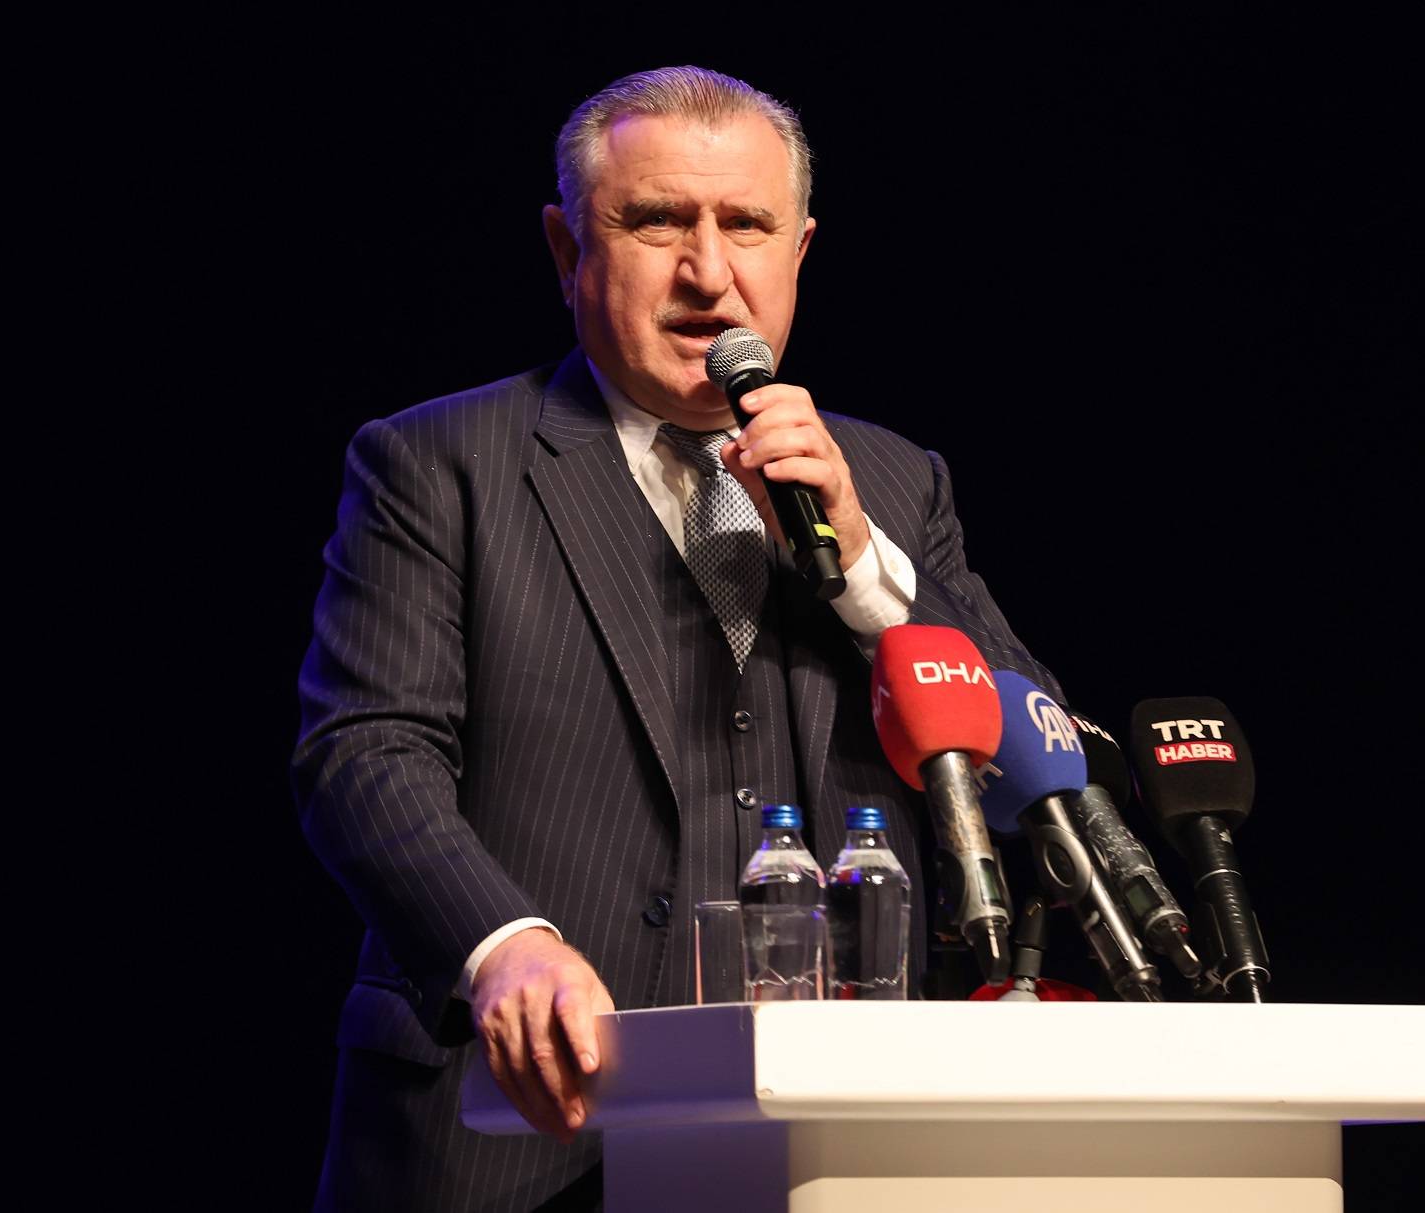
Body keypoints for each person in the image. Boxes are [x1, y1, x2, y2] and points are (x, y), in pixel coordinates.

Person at [294, 65, 1060, 1212]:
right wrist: (502, 943)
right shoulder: (435, 464)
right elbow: (364, 752)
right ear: (566, 249)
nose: (708, 271)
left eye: (745, 225)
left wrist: (861, 569)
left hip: (834, 1146)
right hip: (517, 1135)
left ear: (799, 250)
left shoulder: (894, 482)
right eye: (657, 221)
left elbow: (1038, 768)